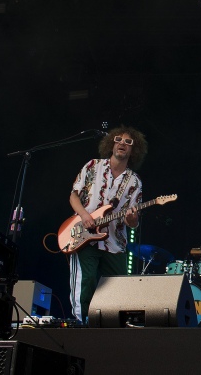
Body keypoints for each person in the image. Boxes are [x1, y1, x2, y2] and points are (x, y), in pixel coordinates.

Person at [68, 126, 147, 323]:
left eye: (128, 142)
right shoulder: (93, 166)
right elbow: (73, 196)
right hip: (83, 236)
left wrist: (131, 219)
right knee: (84, 283)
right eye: (119, 139)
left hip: (114, 242)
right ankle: (81, 325)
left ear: (133, 150)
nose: (122, 144)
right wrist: (85, 214)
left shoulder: (135, 182)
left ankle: (109, 330)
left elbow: (132, 221)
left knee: (117, 288)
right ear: (111, 142)